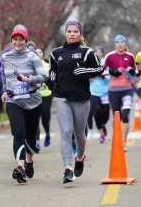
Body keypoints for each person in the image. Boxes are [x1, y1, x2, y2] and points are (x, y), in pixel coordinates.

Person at [49, 21, 103, 184]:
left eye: (75, 31)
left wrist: (85, 71)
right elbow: (53, 70)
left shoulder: (87, 52)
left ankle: (79, 158)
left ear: (80, 35)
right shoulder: (55, 53)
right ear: (65, 34)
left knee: (80, 134)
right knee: (66, 133)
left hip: (81, 98)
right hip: (62, 97)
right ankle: (68, 168)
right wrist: (52, 76)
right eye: (69, 31)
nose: (72, 34)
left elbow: (99, 69)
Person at [0, 24, 46, 183]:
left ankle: (29, 161)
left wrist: (28, 79)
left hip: (33, 101)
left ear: (26, 40)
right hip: (14, 101)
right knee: (18, 132)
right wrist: (5, 91)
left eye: (21, 40)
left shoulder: (32, 56)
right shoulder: (5, 57)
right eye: (15, 39)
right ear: (11, 40)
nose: (18, 42)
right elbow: (5, 77)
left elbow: (42, 77)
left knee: (31, 136)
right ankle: (20, 167)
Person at [103, 34, 136, 152]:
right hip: (113, 91)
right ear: (115, 44)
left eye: (122, 42)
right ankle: (117, 138)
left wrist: (132, 72)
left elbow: (135, 72)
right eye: (117, 42)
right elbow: (101, 70)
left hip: (127, 89)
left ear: (125, 44)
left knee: (125, 115)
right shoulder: (110, 56)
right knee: (117, 117)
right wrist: (111, 71)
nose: (120, 44)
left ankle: (124, 142)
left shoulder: (130, 56)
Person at [86, 46, 110, 144]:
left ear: (102, 53)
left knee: (106, 114)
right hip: (93, 92)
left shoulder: (106, 63)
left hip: (105, 92)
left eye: (100, 52)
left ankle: (103, 125)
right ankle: (101, 134)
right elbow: (85, 75)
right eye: (96, 52)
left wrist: (103, 76)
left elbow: (110, 76)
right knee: (96, 111)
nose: (98, 54)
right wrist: (89, 77)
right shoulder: (90, 63)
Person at [35, 47, 53, 148]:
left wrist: (43, 83)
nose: (38, 54)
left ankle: (47, 133)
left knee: (45, 118)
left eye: (40, 52)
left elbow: (51, 79)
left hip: (46, 95)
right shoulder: (31, 66)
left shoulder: (48, 66)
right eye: (36, 53)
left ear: (43, 54)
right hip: (34, 96)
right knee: (35, 118)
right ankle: (37, 141)